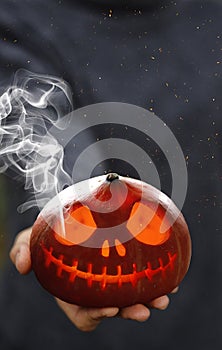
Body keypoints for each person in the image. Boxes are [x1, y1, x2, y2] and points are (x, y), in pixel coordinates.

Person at [0, 0, 221, 349]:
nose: (109, 251)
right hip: (54, 331)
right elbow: (39, 124)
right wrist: (72, 210)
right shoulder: (17, 15)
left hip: (208, 314)